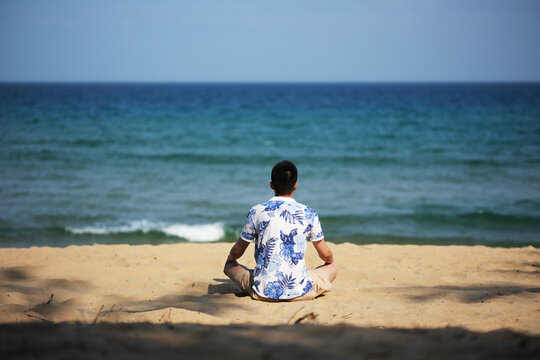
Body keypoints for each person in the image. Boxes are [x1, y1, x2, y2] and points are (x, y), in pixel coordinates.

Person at [224, 160, 337, 301]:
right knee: (332, 267)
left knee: (229, 266)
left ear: (271, 185)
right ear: (295, 186)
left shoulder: (256, 211)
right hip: (301, 292)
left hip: (261, 292)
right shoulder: (309, 213)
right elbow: (325, 255)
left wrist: (231, 259)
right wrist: (330, 261)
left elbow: (238, 250)